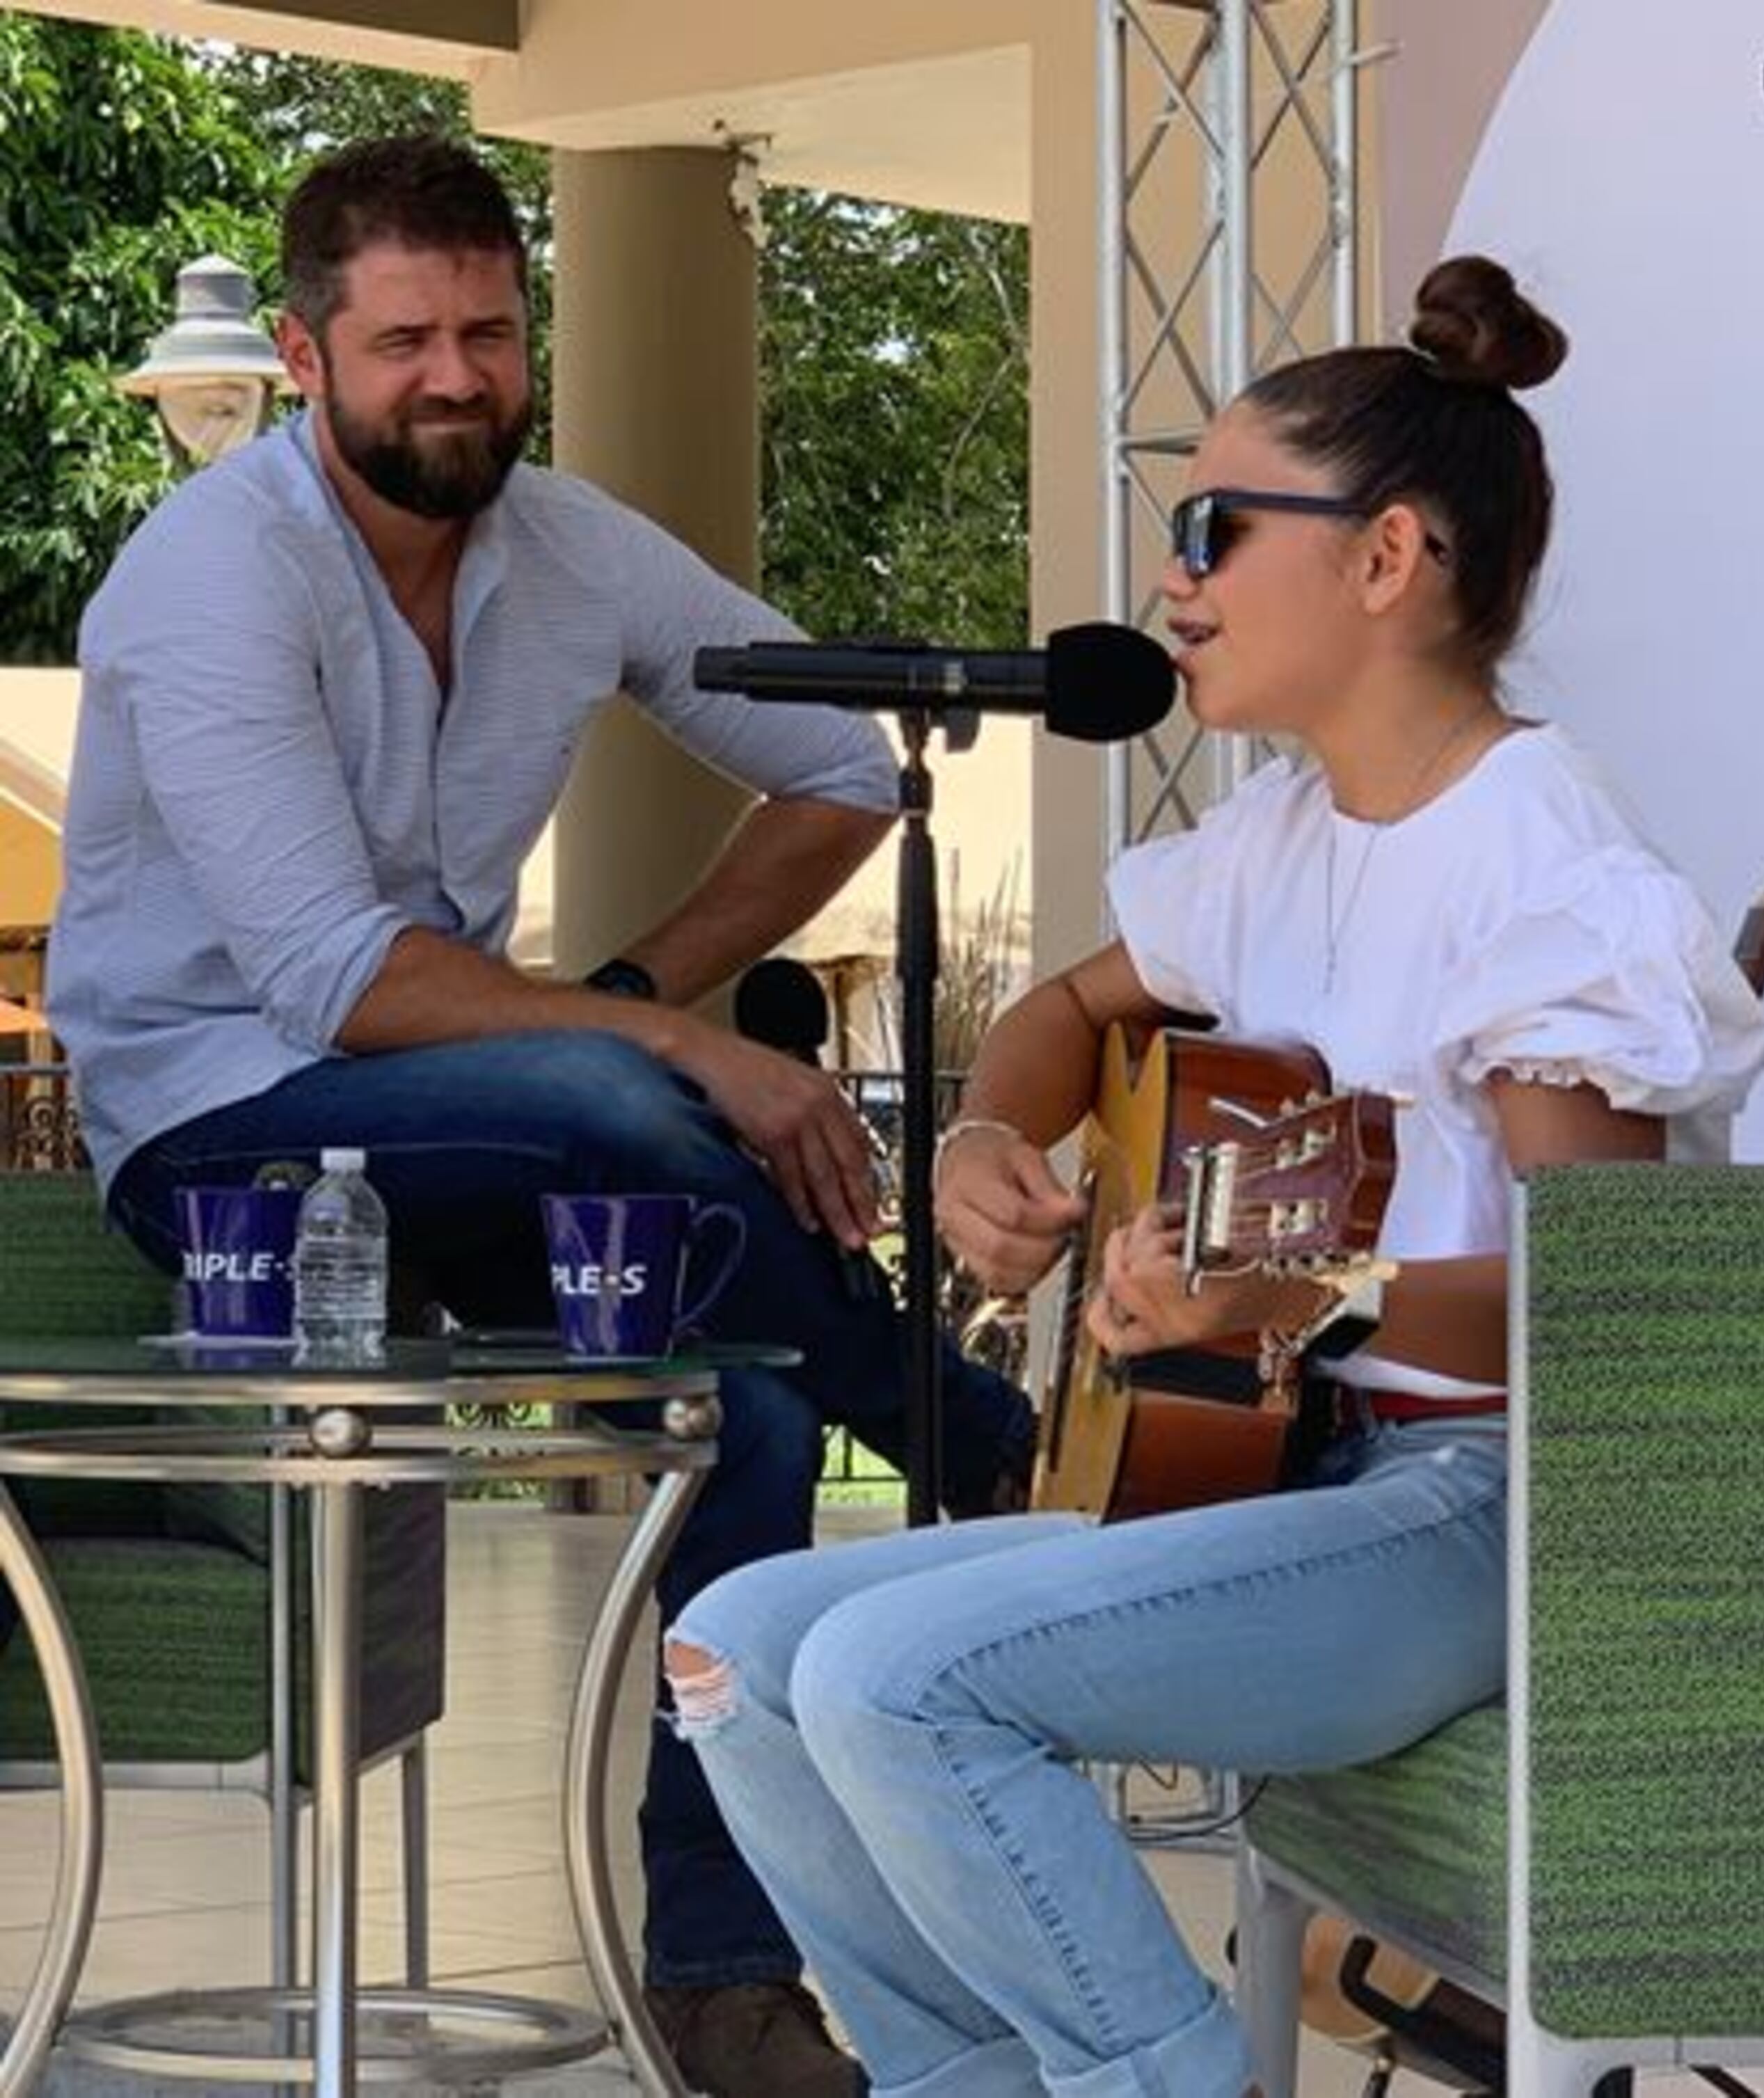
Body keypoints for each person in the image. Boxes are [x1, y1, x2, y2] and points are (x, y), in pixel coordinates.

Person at [662, 255, 1764, 2098]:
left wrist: (1297, 1299)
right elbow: (1057, 1012)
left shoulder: (1547, 880)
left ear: (1387, 557)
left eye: (1215, 525)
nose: (1171, 578)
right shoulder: (1273, 841)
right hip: (1296, 1473)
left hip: (1490, 1508)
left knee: (893, 1679)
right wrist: (993, 1144)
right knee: (737, 1646)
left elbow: (1618, 1311)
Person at [46, 134, 1035, 2098]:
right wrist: (678, 1049)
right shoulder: (210, 575)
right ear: (314, 358)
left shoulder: (571, 545)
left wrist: (644, 998)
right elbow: (339, 978)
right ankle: (976, 1429)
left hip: (510, 1135)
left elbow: (844, 765)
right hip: (222, 1143)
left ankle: (724, 1979)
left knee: (739, 1414)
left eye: (490, 331)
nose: (458, 378)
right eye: (407, 338)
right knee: (609, 1089)